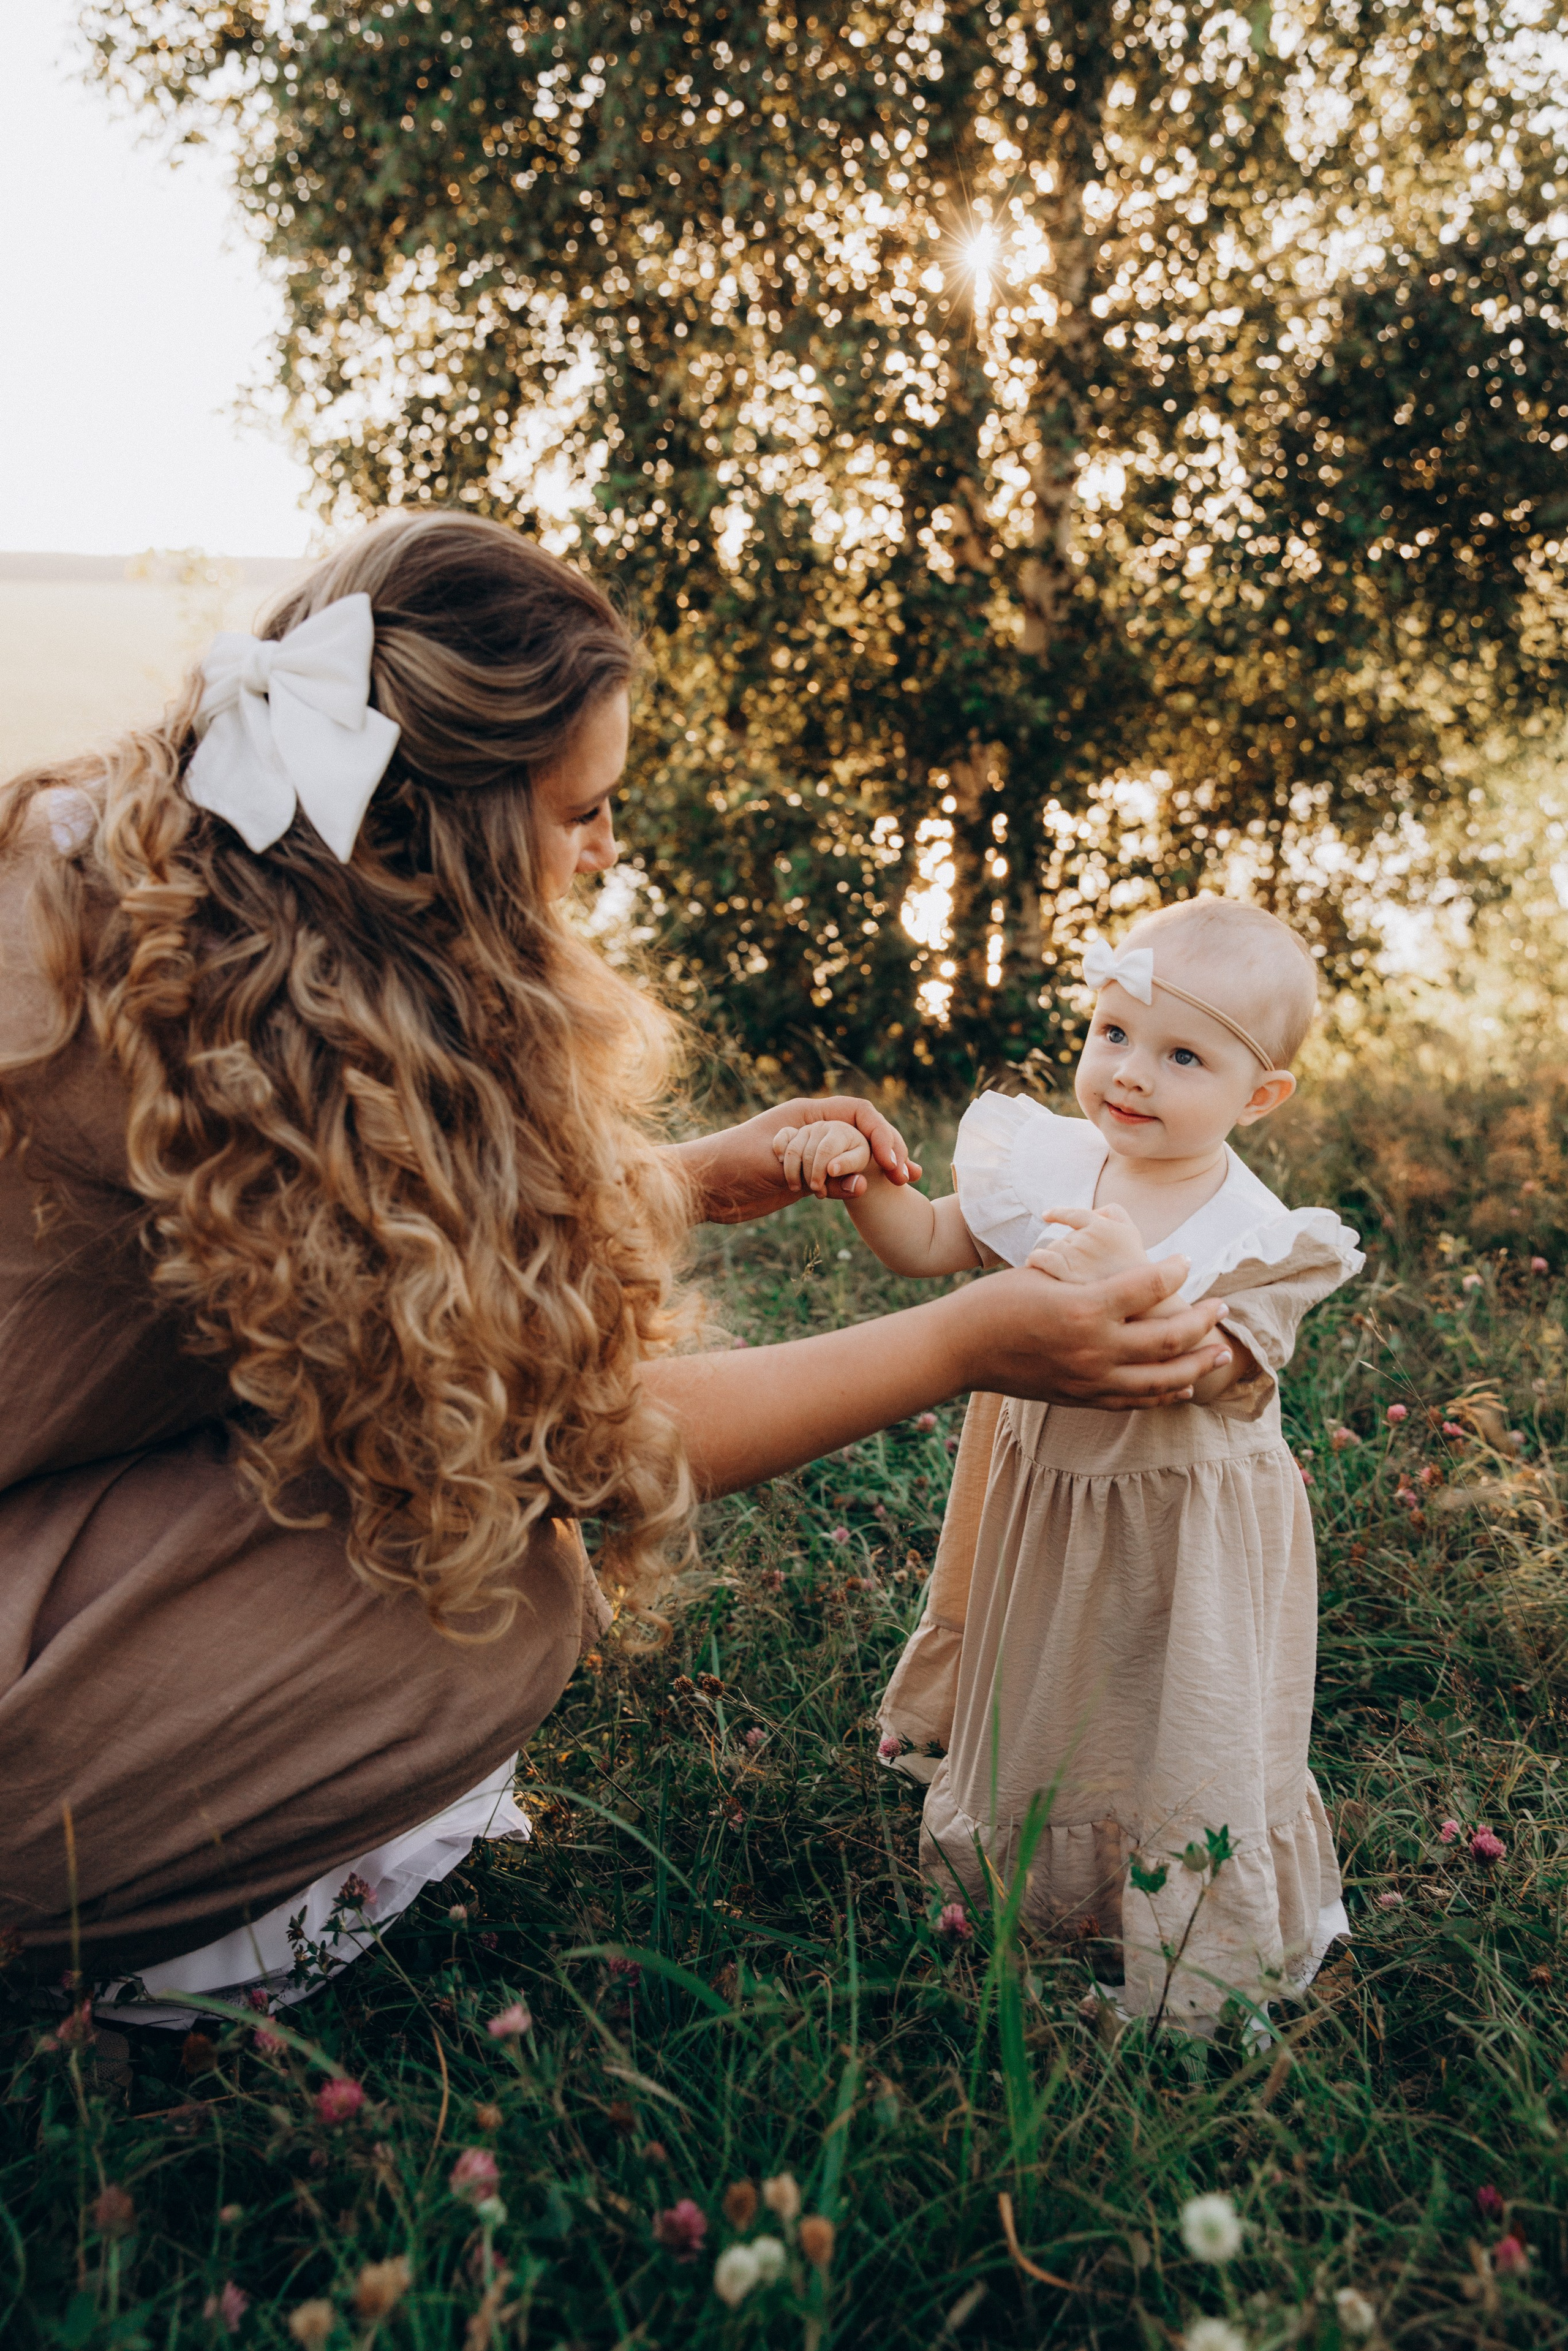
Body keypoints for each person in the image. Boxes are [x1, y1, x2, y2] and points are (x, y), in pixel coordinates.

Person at [0, 512, 1234, 2006]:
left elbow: (342, 1248)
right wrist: (964, 1341)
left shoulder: (153, 892)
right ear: (435, 826)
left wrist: (682, 1181)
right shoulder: (216, 1028)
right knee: (476, 1595)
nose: (603, 850)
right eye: (580, 810)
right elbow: (555, 1444)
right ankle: (117, 1956)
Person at [774, 899, 1362, 2026]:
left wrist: (1124, 1272)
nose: (1130, 1075)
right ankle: (1041, 1887)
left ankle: (1182, 1931)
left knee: (1167, 1705)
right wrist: (864, 1184)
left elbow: (1217, 1370)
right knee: (1054, 1680)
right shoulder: (1053, 1160)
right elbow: (932, 1247)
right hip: (1046, 1499)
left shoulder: (1259, 1234)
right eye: (1112, 1035)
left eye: (1182, 1055)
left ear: (1261, 1094)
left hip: (1179, 1527)